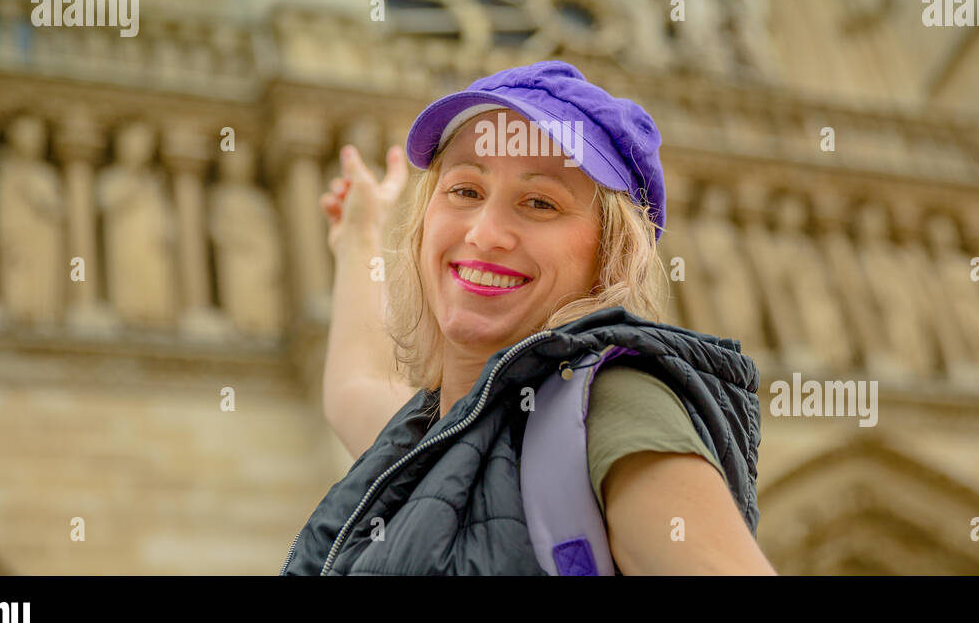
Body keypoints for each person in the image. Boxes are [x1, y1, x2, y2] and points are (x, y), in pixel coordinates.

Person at [281, 60, 775, 575]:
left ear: (610, 253)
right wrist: (359, 235)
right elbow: (354, 385)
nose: (485, 233)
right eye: (466, 191)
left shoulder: (606, 405)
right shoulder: (435, 433)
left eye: (539, 202)